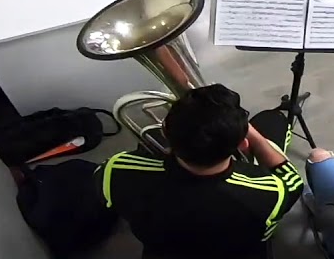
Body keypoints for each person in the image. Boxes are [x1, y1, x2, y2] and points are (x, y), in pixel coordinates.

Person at [98, 85, 304, 259]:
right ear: (242, 145)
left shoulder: (117, 170)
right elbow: (293, 181)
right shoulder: (270, 193)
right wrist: (256, 139)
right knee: (273, 121)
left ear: (164, 131)